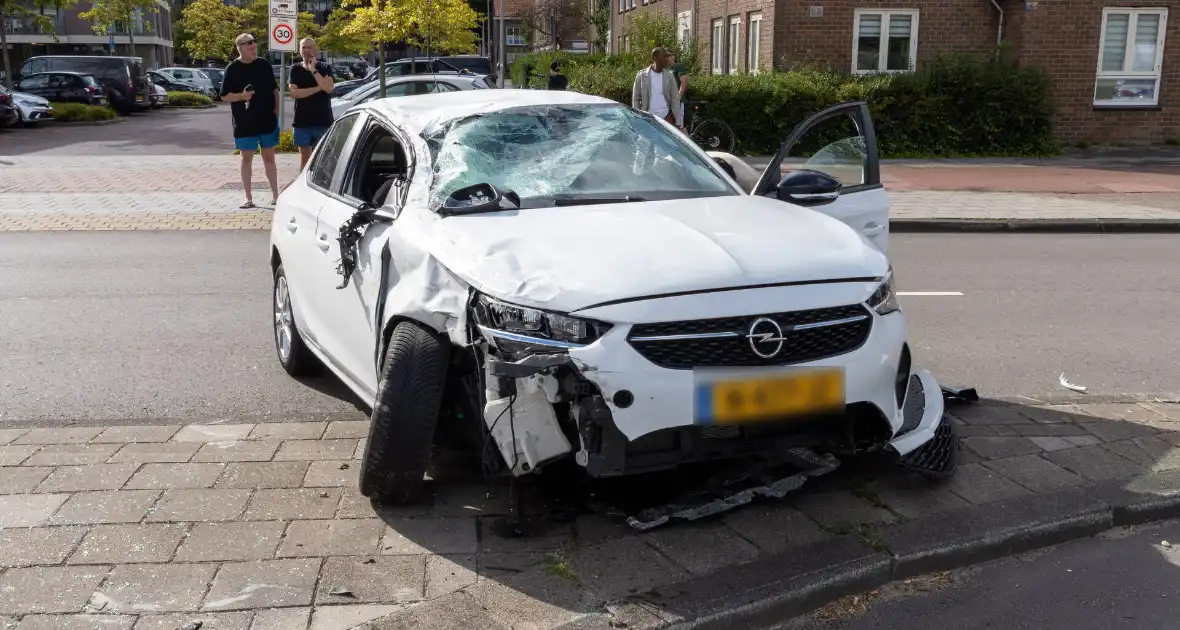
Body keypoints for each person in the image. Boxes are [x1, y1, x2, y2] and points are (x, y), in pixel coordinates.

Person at [220, 33, 279, 209]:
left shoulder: (264, 64)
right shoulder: (232, 69)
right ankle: (248, 197)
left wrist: (276, 112)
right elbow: (224, 96)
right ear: (240, 48)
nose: (254, 49)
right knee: (246, 158)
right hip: (245, 121)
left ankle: (276, 195)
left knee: (269, 157)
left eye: (255, 46)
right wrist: (241, 96)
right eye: (250, 46)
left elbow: (274, 90)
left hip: (267, 120)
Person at [288, 37, 335, 169]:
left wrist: (314, 70)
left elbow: (328, 88)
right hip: (302, 122)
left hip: (323, 121)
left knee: (324, 159)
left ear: (315, 50)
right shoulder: (295, 69)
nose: (306, 50)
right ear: (299, 50)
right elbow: (294, 93)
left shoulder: (325, 67)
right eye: (303, 47)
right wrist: (319, 87)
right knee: (305, 157)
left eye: (309, 47)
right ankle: (303, 185)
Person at [631, 47, 682, 129]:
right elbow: (636, 99)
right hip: (647, 119)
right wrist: (638, 117)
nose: (667, 59)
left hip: (666, 119)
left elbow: (675, 99)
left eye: (667, 56)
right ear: (654, 58)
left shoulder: (669, 76)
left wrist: (678, 121)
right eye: (664, 56)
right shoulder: (642, 75)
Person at [668, 53, 690, 128]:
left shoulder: (677, 66)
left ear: (673, 57)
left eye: (669, 55)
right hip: (670, 102)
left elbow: (684, 80)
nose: (667, 57)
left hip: (679, 102)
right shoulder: (666, 69)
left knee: (680, 127)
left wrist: (678, 97)